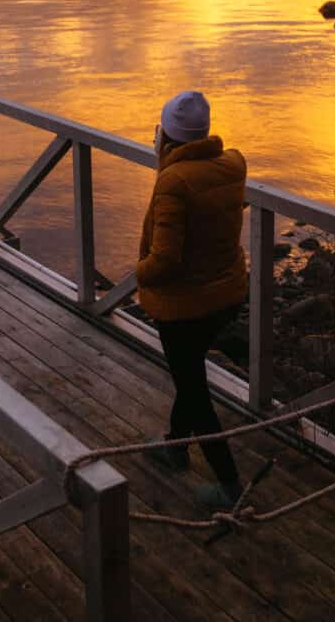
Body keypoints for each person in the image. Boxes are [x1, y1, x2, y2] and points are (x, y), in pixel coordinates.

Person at [136, 90, 248, 511]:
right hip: (227, 294)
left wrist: (139, 273)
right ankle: (176, 446)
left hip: (185, 308)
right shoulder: (232, 166)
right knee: (190, 375)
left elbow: (165, 258)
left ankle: (229, 485)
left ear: (167, 138)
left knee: (194, 389)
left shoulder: (173, 182)